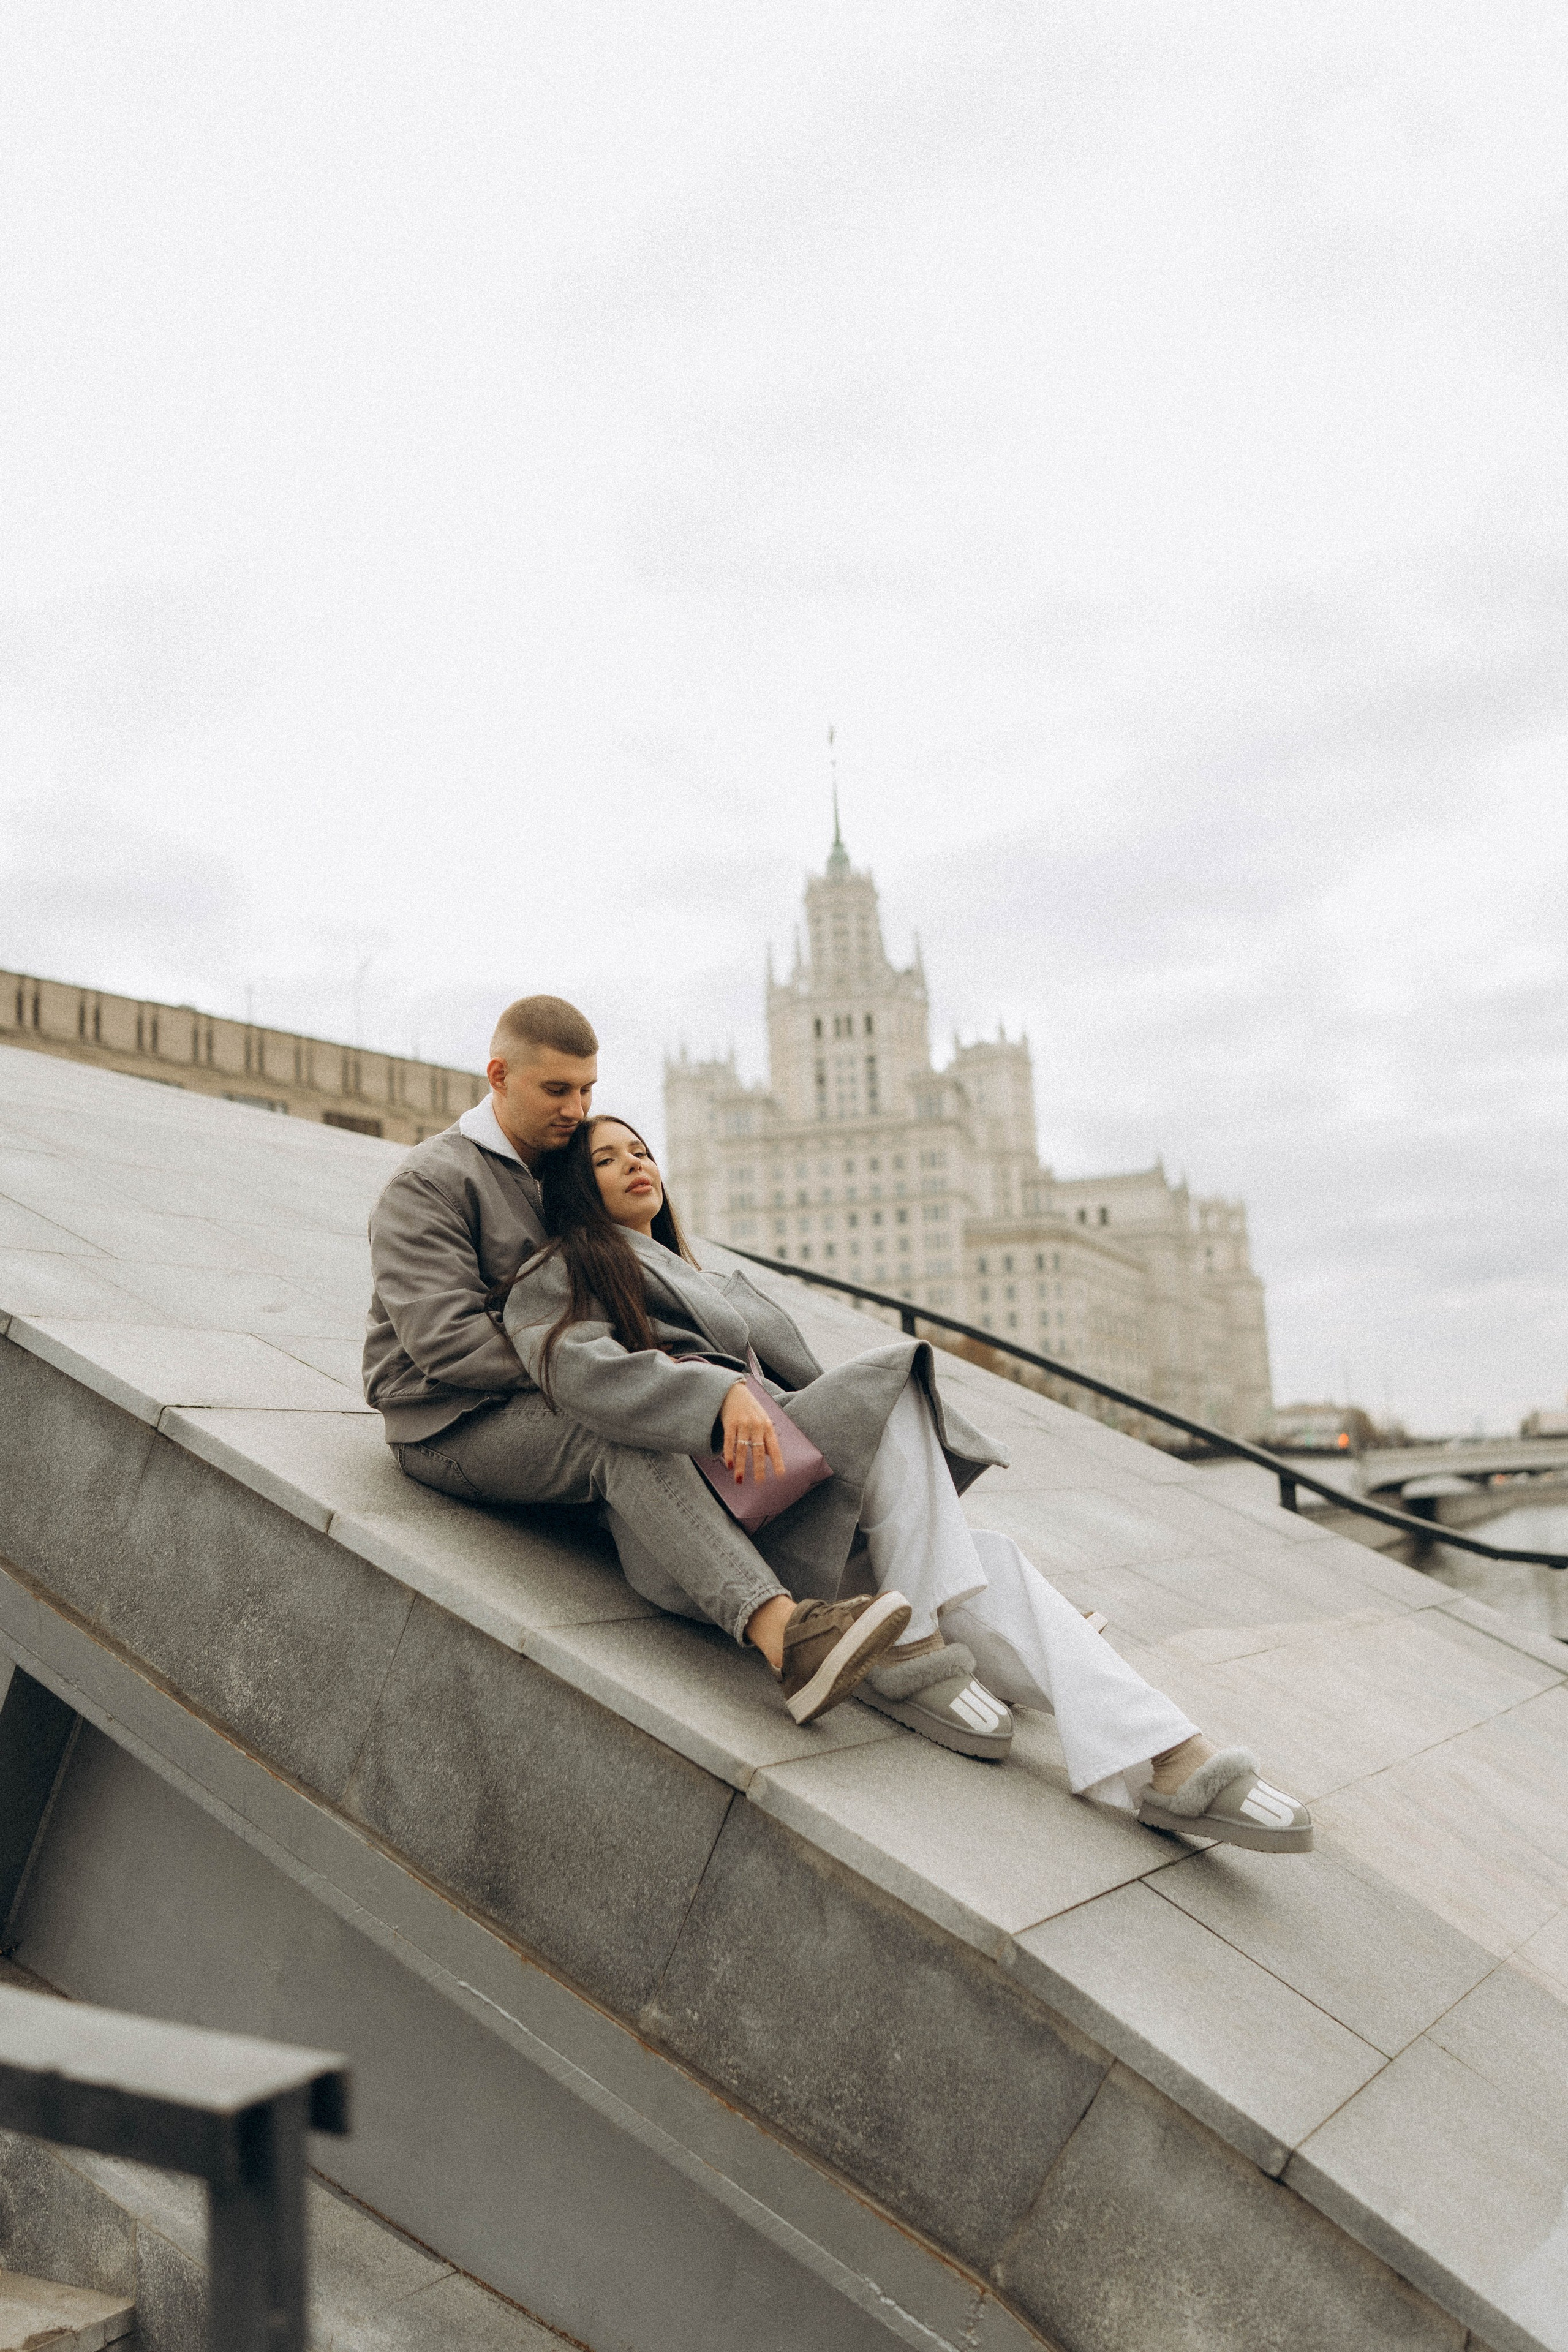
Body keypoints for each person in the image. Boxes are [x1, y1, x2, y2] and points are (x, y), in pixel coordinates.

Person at [495, 1110, 1314, 1855]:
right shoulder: (563, 1267)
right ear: (575, 1186)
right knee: (894, 1382)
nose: (637, 1164)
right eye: (607, 1160)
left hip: (785, 1494)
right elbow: (573, 1369)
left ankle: (1170, 1759)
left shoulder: (700, 1272)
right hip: (705, 1518)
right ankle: (920, 1644)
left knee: (991, 1560)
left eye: (641, 1150)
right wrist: (713, 1395)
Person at [365, 993, 914, 1727]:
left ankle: (923, 1603)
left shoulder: (566, 1168)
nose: (576, 1107)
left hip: (559, 1393)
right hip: (449, 1421)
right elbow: (445, 1343)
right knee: (618, 1434)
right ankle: (787, 1639)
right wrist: (610, 1376)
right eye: (556, 1090)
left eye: (586, 1089)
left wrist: (650, 1373)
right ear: (498, 1075)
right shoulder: (429, 1184)